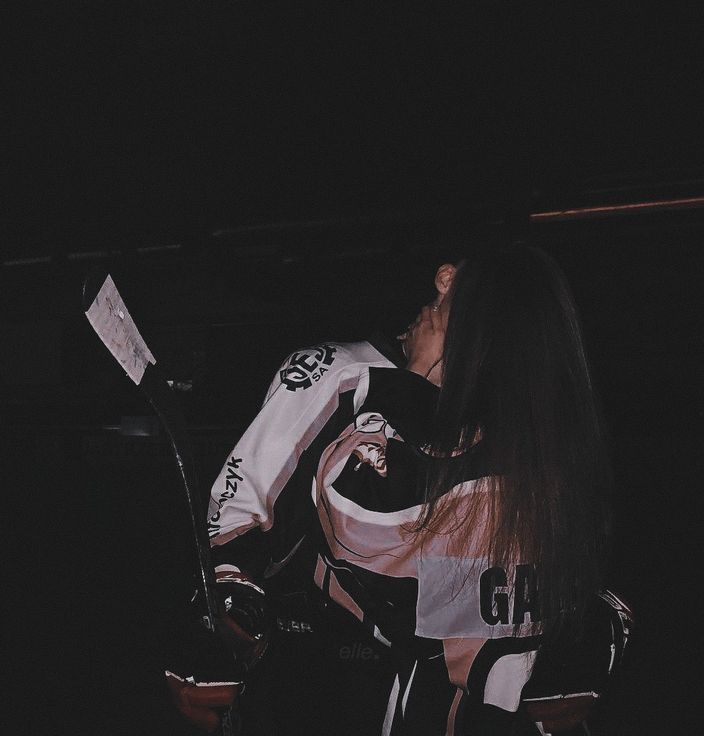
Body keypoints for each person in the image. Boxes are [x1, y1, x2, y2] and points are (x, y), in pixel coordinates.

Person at [166, 244, 633, 735]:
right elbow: (258, 516)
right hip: (337, 683)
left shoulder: (530, 429)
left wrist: (581, 628)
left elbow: (550, 578)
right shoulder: (337, 374)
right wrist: (228, 613)